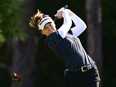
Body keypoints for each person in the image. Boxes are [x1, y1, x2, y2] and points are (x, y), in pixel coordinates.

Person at [29, 7, 100, 87]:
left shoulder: (66, 34)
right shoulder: (53, 40)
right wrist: (63, 12)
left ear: (54, 23)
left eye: (50, 24)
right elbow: (68, 23)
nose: (50, 28)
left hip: (91, 71)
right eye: (46, 28)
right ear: (43, 32)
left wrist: (69, 12)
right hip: (75, 76)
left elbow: (82, 26)